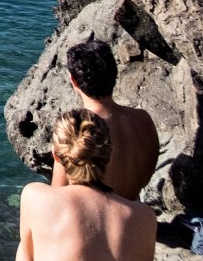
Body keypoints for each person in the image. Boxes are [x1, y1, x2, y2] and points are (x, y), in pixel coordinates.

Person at [17, 109, 156, 261]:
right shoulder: (145, 217)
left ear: (56, 156)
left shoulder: (34, 196)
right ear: (109, 156)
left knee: (25, 250)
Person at [55, 40, 160, 198]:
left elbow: (58, 195)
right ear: (114, 74)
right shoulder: (143, 120)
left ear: (74, 81)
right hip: (134, 212)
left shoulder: (79, 131)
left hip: (94, 218)